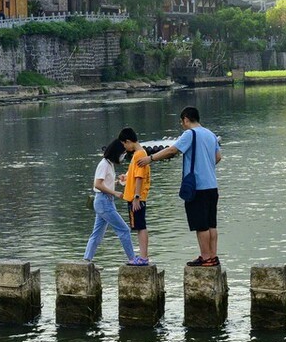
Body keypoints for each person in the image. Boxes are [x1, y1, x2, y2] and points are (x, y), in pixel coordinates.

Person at [139, 106, 222, 267]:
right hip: (212, 185)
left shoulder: (190, 134)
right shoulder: (211, 134)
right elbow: (218, 157)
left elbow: (172, 150)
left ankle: (205, 258)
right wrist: (206, 166)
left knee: (201, 225)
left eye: (182, 122)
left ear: (186, 119)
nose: (182, 125)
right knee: (211, 223)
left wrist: (151, 159)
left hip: (197, 187)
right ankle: (213, 256)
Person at [85, 140, 145, 265]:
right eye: (122, 153)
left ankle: (86, 260)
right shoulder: (104, 164)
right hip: (103, 201)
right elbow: (98, 184)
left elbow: (105, 183)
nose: (123, 155)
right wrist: (115, 193)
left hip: (105, 201)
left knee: (97, 234)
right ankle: (132, 258)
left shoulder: (109, 164)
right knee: (124, 230)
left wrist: (119, 182)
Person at [118, 127, 151, 263]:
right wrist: (125, 178)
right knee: (139, 226)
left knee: (140, 227)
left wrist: (136, 197)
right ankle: (143, 256)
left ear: (128, 141)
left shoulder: (139, 155)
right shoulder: (140, 153)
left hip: (136, 197)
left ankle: (143, 257)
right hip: (136, 196)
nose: (125, 148)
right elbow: (134, 175)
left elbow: (139, 177)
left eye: (124, 144)